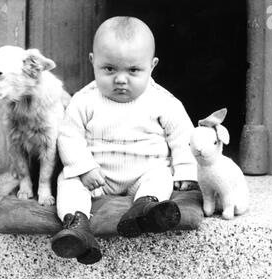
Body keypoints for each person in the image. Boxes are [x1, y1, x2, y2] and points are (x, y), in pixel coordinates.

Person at [51, 16, 198, 265]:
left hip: (144, 171)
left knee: (161, 177)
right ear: (93, 62)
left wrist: (185, 170)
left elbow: (183, 136)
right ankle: (76, 224)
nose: (120, 79)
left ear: (152, 66)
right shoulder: (84, 100)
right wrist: (83, 168)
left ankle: (146, 207)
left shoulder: (163, 101)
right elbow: (68, 135)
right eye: (109, 69)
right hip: (96, 176)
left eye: (133, 70)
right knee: (68, 179)